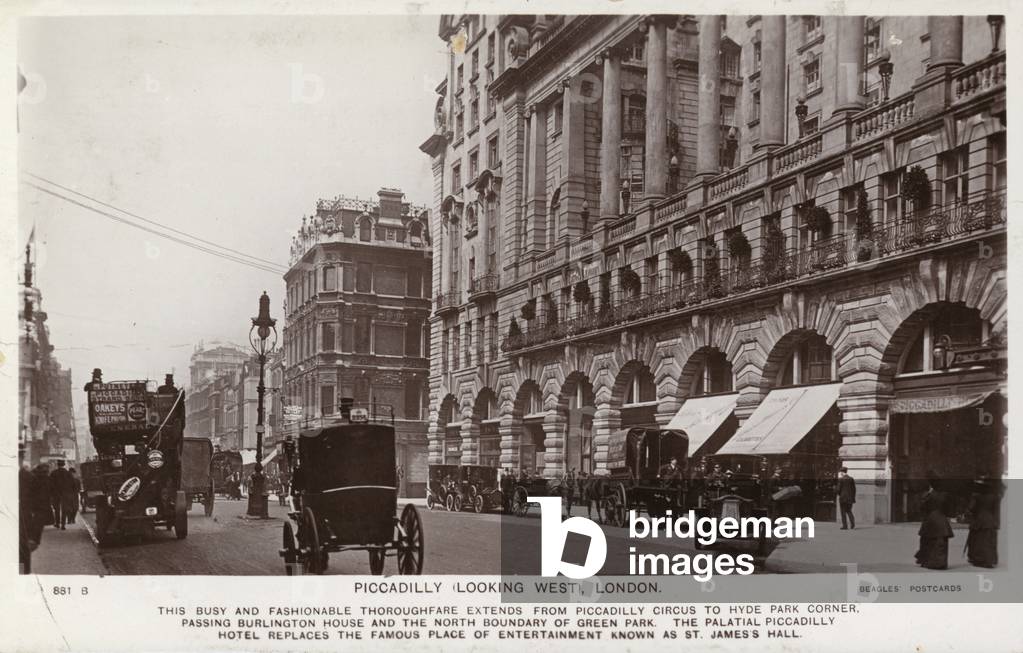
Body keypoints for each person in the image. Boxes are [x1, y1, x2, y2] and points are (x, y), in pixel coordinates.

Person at [916, 474, 954, 569]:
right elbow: (949, 509)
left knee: (928, 541)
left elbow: (922, 507)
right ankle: (941, 563)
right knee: (941, 543)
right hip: (942, 520)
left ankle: (929, 562)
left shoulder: (929, 495)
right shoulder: (945, 495)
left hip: (931, 520)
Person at [964, 477, 1001, 568]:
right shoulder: (995, 497)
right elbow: (996, 512)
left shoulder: (976, 496)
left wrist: (968, 515)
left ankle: (977, 559)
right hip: (990, 521)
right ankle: (989, 560)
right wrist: (996, 524)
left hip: (978, 521)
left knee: (977, 541)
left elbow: (970, 509)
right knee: (988, 541)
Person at [49, 460, 73, 529]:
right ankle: (63, 524)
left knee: (57, 509)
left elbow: (50, 484)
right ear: (64, 465)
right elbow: (72, 483)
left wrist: (51, 493)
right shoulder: (68, 473)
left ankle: (57, 523)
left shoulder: (53, 473)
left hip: (56, 493)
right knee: (64, 509)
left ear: (57, 465)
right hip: (65, 493)